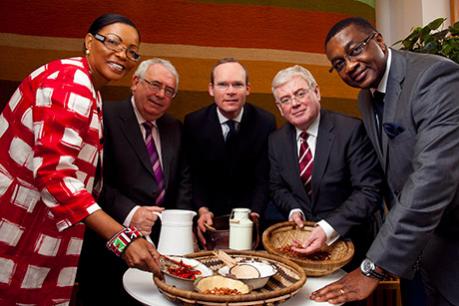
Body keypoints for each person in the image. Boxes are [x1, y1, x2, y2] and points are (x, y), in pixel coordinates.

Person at [0, 13, 163, 305]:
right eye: (113, 42)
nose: (122, 55)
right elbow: (55, 176)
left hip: (38, 226)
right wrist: (122, 238)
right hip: (17, 225)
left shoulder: (89, 88)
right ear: (89, 41)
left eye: (131, 51)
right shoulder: (71, 82)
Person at [309, 17, 459, 306]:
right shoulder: (366, 98)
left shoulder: (436, 77)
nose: (350, 65)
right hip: (418, 254)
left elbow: (432, 179)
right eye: (339, 63)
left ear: (378, 40)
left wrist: (373, 267)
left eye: (355, 51)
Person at [77, 58, 191, 305]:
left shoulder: (175, 127)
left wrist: (179, 225)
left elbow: (183, 181)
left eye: (169, 90)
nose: (161, 94)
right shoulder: (104, 115)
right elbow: (88, 180)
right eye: (155, 85)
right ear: (135, 82)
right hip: (108, 247)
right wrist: (131, 212)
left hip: (160, 245)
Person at [269, 65, 383, 272]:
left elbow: (368, 192)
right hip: (300, 250)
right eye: (285, 100)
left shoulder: (351, 130)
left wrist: (328, 227)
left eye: (300, 93)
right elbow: (277, 187)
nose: (294, 103)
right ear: (279, 108)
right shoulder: (276, 141)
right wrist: (293, 208)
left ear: (317, 92)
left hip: (350, 249)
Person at [183, 58, 276, 247]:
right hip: (209, 220)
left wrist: (255, 213)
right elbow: (194, 175)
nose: (231, 91)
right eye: (223, 84)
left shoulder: (266, 122)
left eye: (237, 85)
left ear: (248, 89)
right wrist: (202, 209)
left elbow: (264, 176)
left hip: (251, 218)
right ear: (211, 89)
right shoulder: (194, 122)